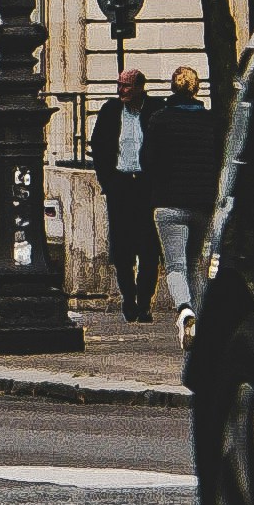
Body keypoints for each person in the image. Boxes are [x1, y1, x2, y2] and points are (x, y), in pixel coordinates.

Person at [145, 66, 225, 318]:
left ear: (172, 87)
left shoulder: (159, 120)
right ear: (197, 88)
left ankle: (184, 308)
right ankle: (198, 316)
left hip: (168, 202)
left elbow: (147, 160)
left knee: (175, 266)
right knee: (193, 265)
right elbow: (220, 161)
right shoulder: (211, 121)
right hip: (202, 202)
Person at [92, 69, 162, 319]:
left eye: (127, 86)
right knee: (122, 249)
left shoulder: (156, 110)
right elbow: (98, 146)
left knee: (149, 248)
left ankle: (144, 302)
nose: (121, 90)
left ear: (140, 87)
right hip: (120, 185)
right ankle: (129, 300)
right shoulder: (110, 111)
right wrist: (108, 181)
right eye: (119, 84)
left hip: (146, 186)